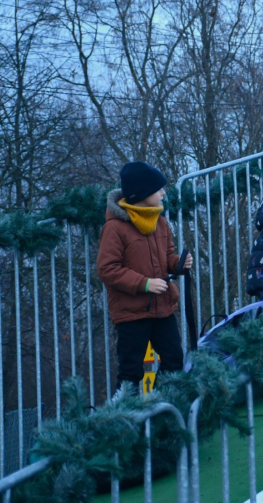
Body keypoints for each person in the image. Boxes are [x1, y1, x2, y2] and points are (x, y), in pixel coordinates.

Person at [97, 161, 192, 391]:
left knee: (174, 362)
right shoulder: (115, 228)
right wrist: (145, 283)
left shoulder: (161, 223)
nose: (163, 193)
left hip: (163, 309)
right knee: (130, 372)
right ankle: (124, 414)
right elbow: (107, 268)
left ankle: (161, 407)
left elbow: (166, 258)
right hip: (131, 313)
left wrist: (178, 264)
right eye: (158, 189)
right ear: (141, 193)